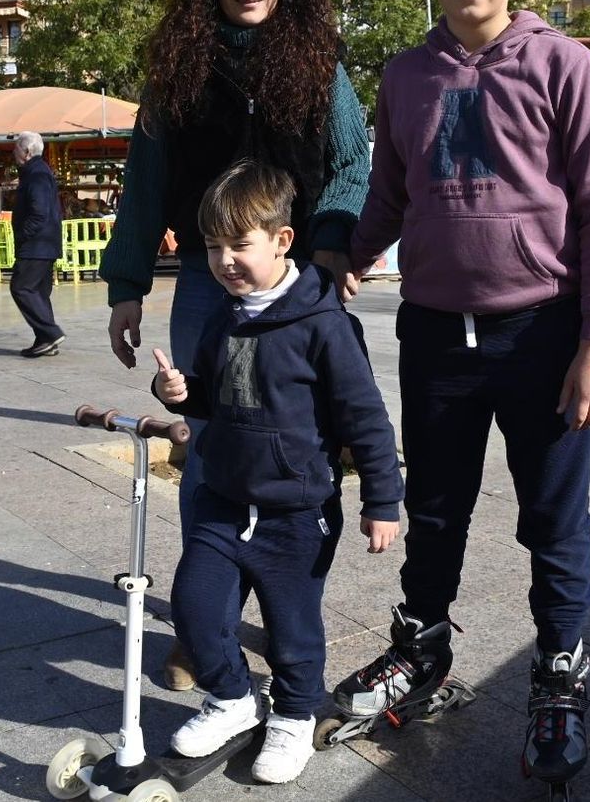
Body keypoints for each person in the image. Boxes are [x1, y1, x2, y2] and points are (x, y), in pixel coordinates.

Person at [337, 0, 590, 789]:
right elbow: (387, 198)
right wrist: (341, 262)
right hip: (434, 332)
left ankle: (558, 674)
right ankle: (422, 650)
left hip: (542, 333)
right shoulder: (405, 76)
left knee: (552, 520)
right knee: (434, 508)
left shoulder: (564, 65)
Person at [98, 0, 371, 691]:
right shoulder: (177, 72)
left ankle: (292, 621)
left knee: (296, 452)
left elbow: (353, 164)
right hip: (206, 295)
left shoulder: (320, 65)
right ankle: (202, 630)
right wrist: (126, 287)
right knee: (209, 453)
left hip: (299, 295)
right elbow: (143, 187)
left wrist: (328, 246)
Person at [151, 160, 403, 784]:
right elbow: (215, 398)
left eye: (240, 245)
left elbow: (365, 417)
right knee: (195, 607)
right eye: (213, 247)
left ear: (282, 240)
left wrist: (383, 500)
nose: (225, 261)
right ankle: (234, 702)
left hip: (297, 513)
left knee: (292, 629)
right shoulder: (224, 317)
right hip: (223, 501)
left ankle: (293, 715)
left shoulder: (324, 323)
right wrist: (180, 394)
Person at [10, 131, 65, 358]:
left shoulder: (36, 174)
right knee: (39, 292)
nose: (13, 154)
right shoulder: (37, 172)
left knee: (21, 287)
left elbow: (39, 212)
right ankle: (45, 340)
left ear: (26, 152)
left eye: (15, 149)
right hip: (44, 244)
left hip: (37, 245)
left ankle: (51, 333)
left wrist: (23, 234)